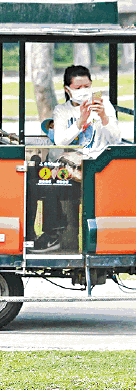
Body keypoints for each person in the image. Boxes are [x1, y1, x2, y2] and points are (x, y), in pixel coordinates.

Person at [31, 65, 121, 253]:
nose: (83, 91)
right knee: (46, 179)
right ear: (67, 89)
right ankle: (53, 235)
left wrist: (103, 117)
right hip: (72, 170)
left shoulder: (104, 105)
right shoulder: (62, 111)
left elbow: (115, 139)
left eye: (87, 86)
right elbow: (60, 141)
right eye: (78, 88)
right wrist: (80, 121)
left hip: (100, 166)